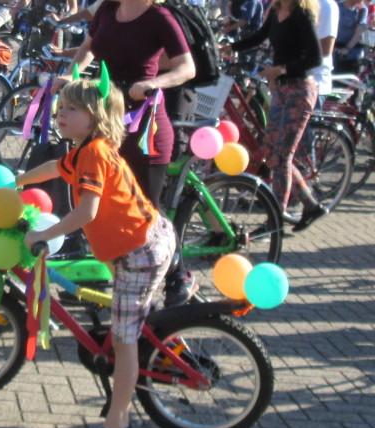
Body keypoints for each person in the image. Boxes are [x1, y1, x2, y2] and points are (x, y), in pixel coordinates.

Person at [17, 78, 176, 428]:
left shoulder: (93, 154)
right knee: (132, 325)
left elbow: (86, 212)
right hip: (141, 243)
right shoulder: (86, 150)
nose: (61, 114)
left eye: (71, 109)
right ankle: (162, 351)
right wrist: (19, 180)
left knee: (123, 340)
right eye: (60, 108)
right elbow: (54, 168)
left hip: (139, 252)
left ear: (96, 117)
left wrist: (45, 234)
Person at [51, 0, 198, 307]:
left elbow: (187, 67)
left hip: (144, 129)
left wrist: (154, 82)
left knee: (146, 211)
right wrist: (72, 74)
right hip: (108, 124)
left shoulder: (159, 16)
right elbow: (88, 47)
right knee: (99, 204)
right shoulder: (108, 9)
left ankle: (178, 274)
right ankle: (101, 274)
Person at [222, 0, 325, 232]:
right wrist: (229, 48)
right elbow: (259, 37)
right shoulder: (277, 10)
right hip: (281, 89)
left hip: (299, 90)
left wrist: (280, 70)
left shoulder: (302, 14)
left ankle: (274, 220)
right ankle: (311, 205)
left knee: (283, 157)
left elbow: (314, 58)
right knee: (272, 154)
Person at [334, 0, 368, 74]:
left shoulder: (362, 10)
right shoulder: (336, 7)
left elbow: (359, 32)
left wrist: (347, 48)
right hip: (335, 52)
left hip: (353, 55)